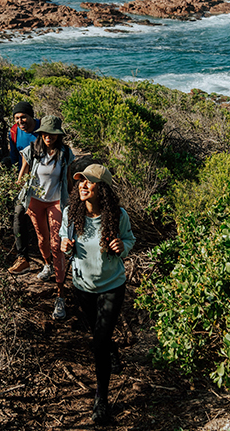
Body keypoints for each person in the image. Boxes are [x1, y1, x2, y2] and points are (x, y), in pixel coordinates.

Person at [60, 164, 135, 425]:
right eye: (80, 181)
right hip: (82, 287)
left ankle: (100, 399)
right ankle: (112, 349)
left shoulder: (117, 215)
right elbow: (63, 239)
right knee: (99, 335)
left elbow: (130, 240)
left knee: (98, 343)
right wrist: (64, 246)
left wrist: (121, 246)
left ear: (102, 189)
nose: (82, 185)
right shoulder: (71, 213)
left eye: (88, 182)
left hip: (112, 286)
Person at [17, 116, 75, 318]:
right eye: (46, 133)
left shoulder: (65, 153)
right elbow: (23, 171)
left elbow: (67, 178)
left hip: (56, 200)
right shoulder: (33, 149)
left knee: (57, 243)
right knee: (42, 239)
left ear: (58, 135)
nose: (49, 137)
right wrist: (20, 186)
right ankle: (47, 264)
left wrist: (72, 200)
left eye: (53, 133)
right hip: (35, 200)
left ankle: (60, 296)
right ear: (41, 133)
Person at [7, 102, 40, 275]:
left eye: (24, 117)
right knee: (19, 213)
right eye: (17, 118)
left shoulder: (43, 130)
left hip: (45, 181)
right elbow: (14, 159)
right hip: (25, 180)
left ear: (32, 116)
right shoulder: (14, 132)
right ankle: (23, 259)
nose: (21, 121)